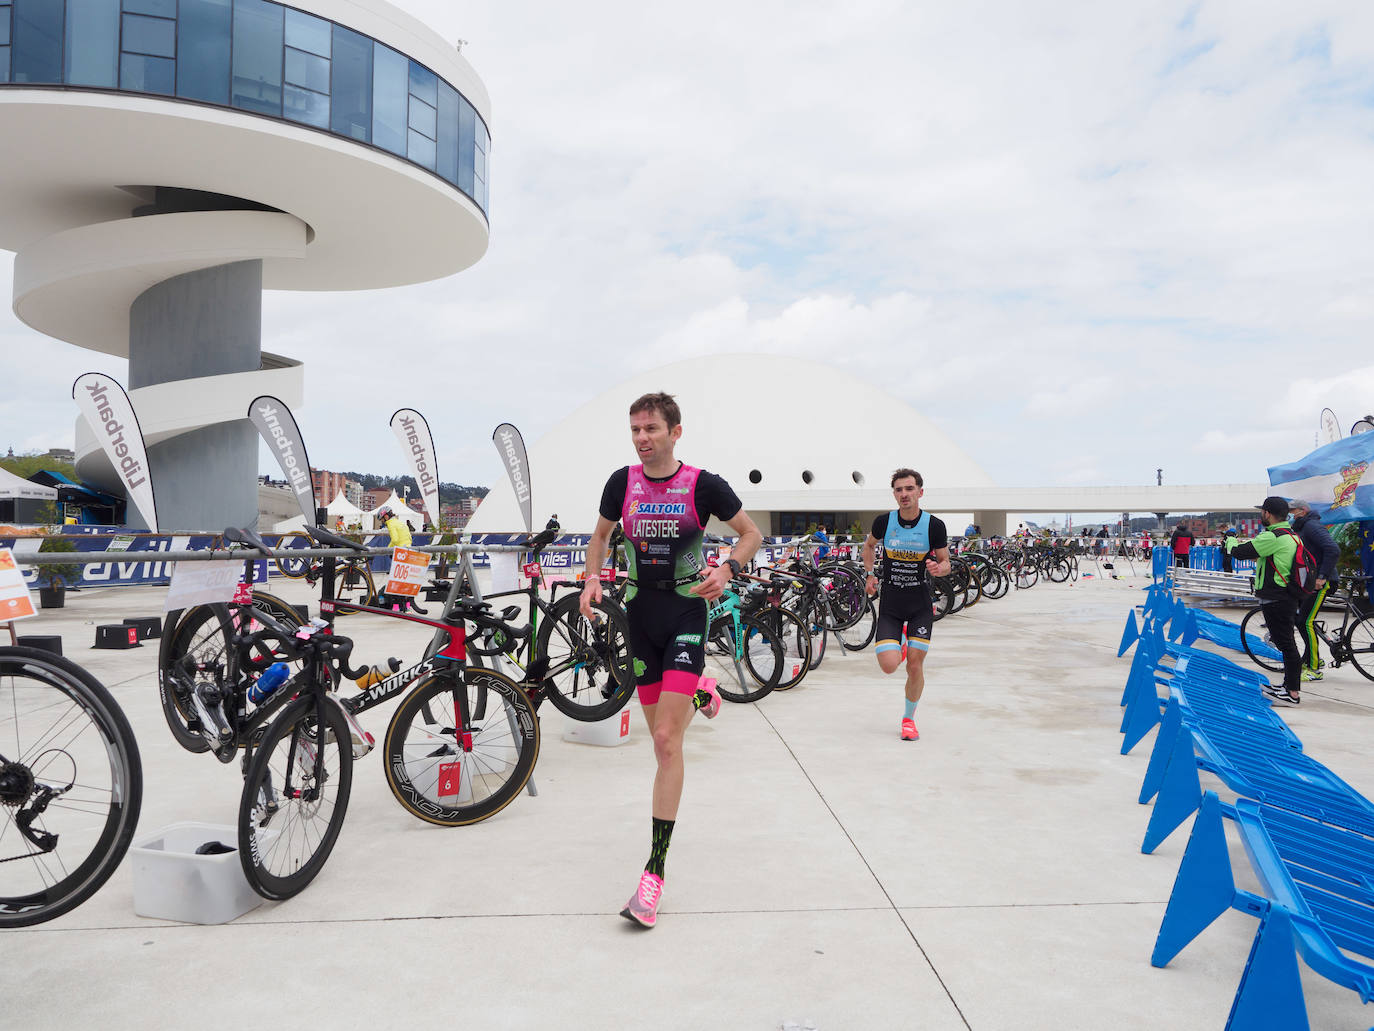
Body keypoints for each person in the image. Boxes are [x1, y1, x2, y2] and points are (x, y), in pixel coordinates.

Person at [579, 391, 761, 929]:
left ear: (675, 431)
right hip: (638, 617)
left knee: (664, 740)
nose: (641, 438)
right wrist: (592, 578)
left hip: (686, 611)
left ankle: (653, 872)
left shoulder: (704, 485)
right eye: (635, 429)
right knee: (662, 725)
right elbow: (599, 538)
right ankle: (701, 687)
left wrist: (727, 568)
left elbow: (751, 534)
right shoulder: (621, 483)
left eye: (651, 428)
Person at [861, 469, 951, 742]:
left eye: (909, 489)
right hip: (891, 603)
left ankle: (908, 719)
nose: (904, 494)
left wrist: (939, 568)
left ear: (920, 492)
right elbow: (869, 547)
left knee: (914, 665)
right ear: (894, 494)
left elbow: (946, 563)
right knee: (889, 666)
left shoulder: (934, 526)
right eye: (899, 490)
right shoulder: (884, 522)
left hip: (920, 604)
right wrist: (870, 574)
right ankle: (900, 644)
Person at [1225, 497, 1302, 704]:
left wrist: (1230, 538)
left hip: (1277, 598)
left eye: (1262, 512)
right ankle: (1287, 687)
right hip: (1286, 596)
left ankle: (1292, 693)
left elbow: (1238, 553)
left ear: (1267, 514)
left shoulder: (1273, 536)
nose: (1261, 515)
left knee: (1286, 644)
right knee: (1286, 643)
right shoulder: (1291, 535)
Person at [1289, 500, 1340, 681]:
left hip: (1320, 581)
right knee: (1301, 621)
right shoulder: (1301, 526)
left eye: (1293, 511)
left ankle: (1314, 668)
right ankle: (1311, 658)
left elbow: (1333, 549)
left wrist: (1322, 576)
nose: (1291, 515)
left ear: (1303, 510)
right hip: (1310, 580)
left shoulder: (1311, 526)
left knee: (1306, 621)